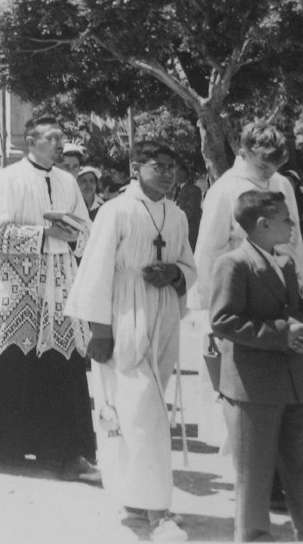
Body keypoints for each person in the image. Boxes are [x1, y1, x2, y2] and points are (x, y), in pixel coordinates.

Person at [0, 117, 98, 480]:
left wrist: (71, 234)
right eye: (52, 138)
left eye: (62, 138)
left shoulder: (67, 182)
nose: (60, 144)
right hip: (16, 285)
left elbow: (87, 230)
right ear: (31, 141)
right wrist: (44, 234)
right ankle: (6, 445)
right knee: (12, 362)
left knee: (60, 364)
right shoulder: (8, 179)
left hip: (58, 285)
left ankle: (63, 449)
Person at [65, 141, 196, 541]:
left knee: (141, 413)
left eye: (173, 165)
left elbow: (190, 265)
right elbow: (96, 269)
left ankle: (135, 497)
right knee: (142, 414)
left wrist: (174, 273)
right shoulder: (115, 210)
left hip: (164, 316)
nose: (169, 172)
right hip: (124, 312)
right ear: (136, 167)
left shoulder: (175, 214)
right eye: (160, 164)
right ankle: (159, 511)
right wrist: (100, 331)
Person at [190, 121, 303, 447]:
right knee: (242, 378)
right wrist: (209, 306)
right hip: (240, 289)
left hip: (280, 290)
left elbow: (295, 240)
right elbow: (209, 248)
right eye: (264, 165)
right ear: (245, 152)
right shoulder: (225, 189)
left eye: (275, 166)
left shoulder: (282, 183)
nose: (269, 173)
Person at [209, 190, 303, 542]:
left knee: (299, 466)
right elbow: (223, 320)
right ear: (263, 224)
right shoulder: (234, 263)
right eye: (286, 219)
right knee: (255, 472)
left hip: (292, 381)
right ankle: (254, 536)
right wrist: (282, 332)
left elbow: (293, 307)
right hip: (252, 386)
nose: (293, 224)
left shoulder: (286, 262)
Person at [171, 162, 202, 249]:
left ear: (182, 174)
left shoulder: (194, 190)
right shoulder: (176, 189)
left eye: (175, 172)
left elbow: (190, 212)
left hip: (189, 233)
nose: (173, 175)